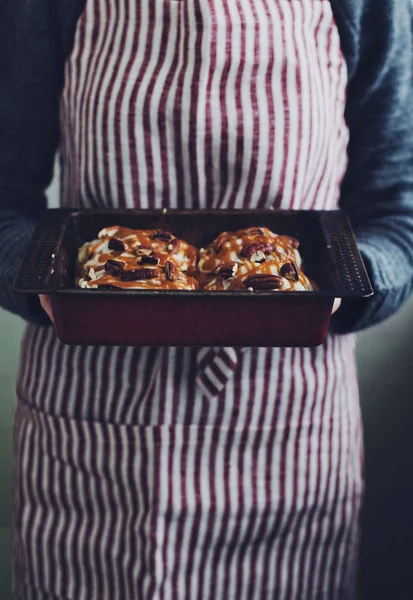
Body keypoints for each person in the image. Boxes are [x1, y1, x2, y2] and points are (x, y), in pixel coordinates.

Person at [1, 0, 413, 597]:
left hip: (287, 448)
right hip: (91, 447)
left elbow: (396, 217)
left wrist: (332, 288)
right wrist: (49, 282)